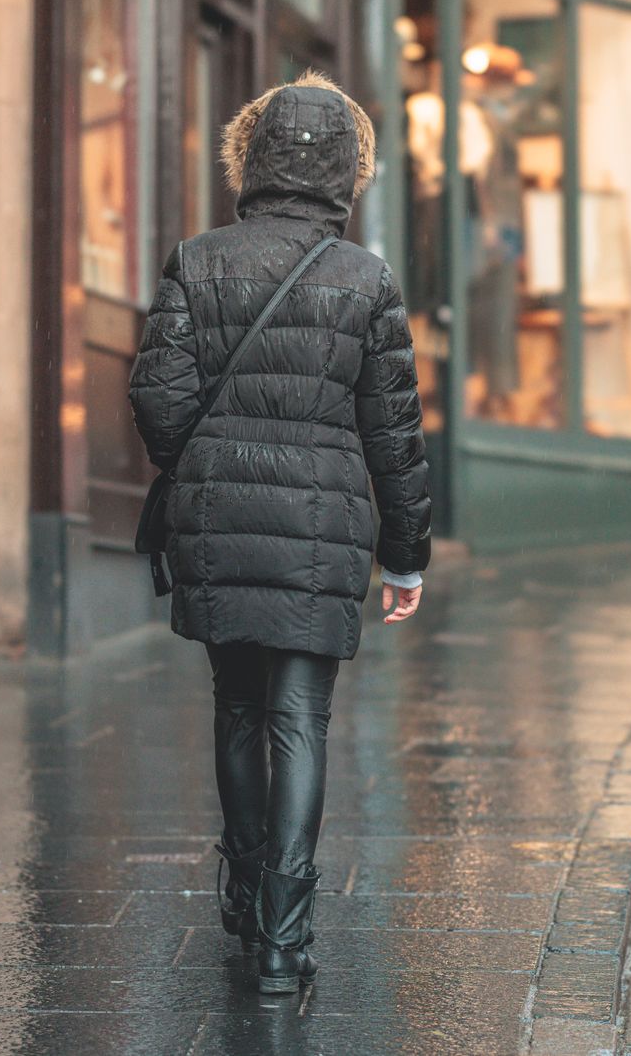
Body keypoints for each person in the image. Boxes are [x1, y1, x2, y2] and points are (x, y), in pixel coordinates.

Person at [129, 72, 433, 994]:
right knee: (302, 720)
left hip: (219, 521)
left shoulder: (199, 258)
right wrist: (407, 554)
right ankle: (282, 947)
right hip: (323, 528)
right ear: (350, 170)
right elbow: (396, 433)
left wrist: (202, 453)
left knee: (236, 709)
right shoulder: (366, 281)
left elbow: (156, 397)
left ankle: (245, 893)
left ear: (250, 157)